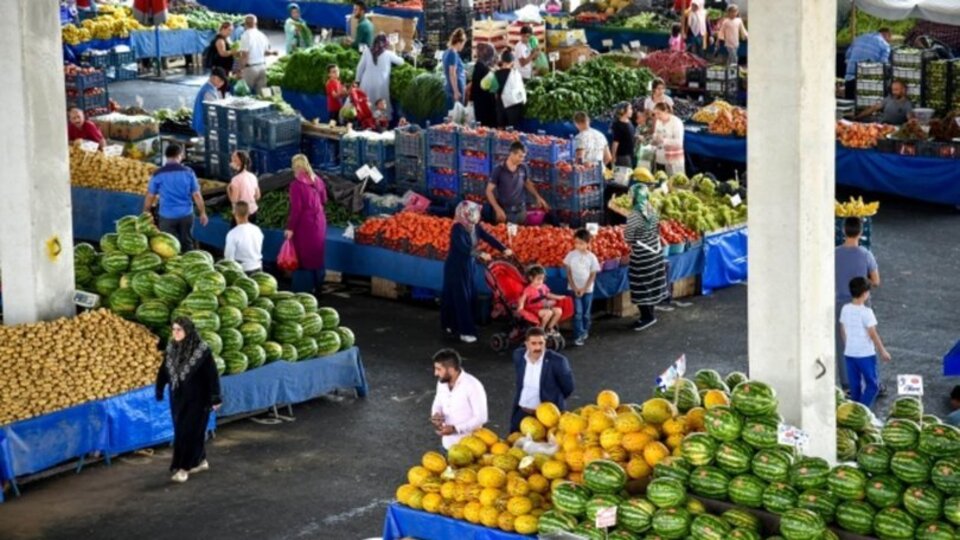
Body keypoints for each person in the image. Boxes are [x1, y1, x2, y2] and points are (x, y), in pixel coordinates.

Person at [155, 317, 221, 484]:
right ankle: (201, 461)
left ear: (188, 331)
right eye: (174, 329)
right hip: (177, 398)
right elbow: (164, 369)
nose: (175, 333)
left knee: (188, 433)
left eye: (179, 329)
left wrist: (215, 397)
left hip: (198, 400)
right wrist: (160, 387)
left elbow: (211, 375)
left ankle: (183, 468)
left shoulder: (202, 350)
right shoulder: (172, 347)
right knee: (184, 431)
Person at [440, 201, 512, 343]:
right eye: (473, 213)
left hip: (469, 265)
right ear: (465, 213)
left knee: (466, 294)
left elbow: (488, 237)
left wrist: (503, 248)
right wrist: (479, 254)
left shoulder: (475, 226)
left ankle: (450, 323)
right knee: (461, 297)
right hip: (456, 266)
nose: (476, 216)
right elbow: (462, 247)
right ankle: (465, 331)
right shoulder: (457, 228)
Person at [835, 217, 880, 391]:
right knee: (867, 341)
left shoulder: (834, 254)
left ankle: (847, 384)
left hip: (840, 304)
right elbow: (876, 281)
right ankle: (871, 381)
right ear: (861, 232)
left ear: (843, 231)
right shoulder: (865, 254)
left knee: (843, 344)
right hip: (862, 304)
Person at [840, 277, 892, 408]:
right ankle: (862, 410)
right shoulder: (867, 312)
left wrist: (849, 345)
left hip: (850, 354)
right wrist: (883, 351)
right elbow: (873, 334)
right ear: (864, 294)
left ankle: (853, 410)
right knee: (873, 385)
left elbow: (842, 329)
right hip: (865, 355)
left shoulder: (845, 309)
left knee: (855, 386)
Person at [509, 327, 575, 432]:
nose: (538, 347)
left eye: (541, 343)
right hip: (522, 413)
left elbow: (568, 388)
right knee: (513, 443)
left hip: (547, 418)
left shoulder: (558, 361)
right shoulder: (519, 355)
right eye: (533, 343)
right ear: (526, 344)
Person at [143, 143, 208, 250]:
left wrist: (146, 213)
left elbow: (150, 196)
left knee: (168, 247)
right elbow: (196, 194)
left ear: (166, 156)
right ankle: (188, 264)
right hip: (186, 215)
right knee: (187, 244)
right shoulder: (188, 172)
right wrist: (202, 212)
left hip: (167, 216)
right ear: (179, 155)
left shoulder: (158, 174)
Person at [625, 182, 667, 331]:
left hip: (642, 257)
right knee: (651, 284)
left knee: (641, 285)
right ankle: (650, 314)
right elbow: (657, 230)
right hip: (655, 254)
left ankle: (647, 317)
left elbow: (629, 238)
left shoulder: (634, 216)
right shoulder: (651, 209)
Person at [285, 155, 328, 296]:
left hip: (305, 225)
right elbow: (324, 200)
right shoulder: (317, 180)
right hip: (319, 222)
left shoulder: (296, 185)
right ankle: (318, 285)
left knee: (303, 255)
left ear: (295, 167)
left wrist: (290, 228)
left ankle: (303, 289)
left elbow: (296, 210)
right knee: (316, 253)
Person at [429, 349, 488, 449]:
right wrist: (436, 414)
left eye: (439, 369)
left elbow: (481, 417)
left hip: (470, 448)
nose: (435, 373)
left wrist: (455, 429)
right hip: (447, 444)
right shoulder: (441, 382)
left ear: (451, 369)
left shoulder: (473, 385)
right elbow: (438, 402)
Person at [487, 142, 550, 225]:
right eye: (520, 156)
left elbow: (527, 183)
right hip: (506, 212)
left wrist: (537, 196)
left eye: (523, 157)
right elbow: (489, 191)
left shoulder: (523, 167)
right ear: (512, 154)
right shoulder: (499, 169)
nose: (522, 159)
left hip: (521, 211)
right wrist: (497, 209)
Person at [565, 229, 600, 346]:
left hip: (588, 290)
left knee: (586, 313)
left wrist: (584, 288)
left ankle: (585, 330)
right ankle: (578, 335)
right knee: (578, 313)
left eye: (581, 243)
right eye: (576, 243)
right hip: (573, 289)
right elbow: (568, 273)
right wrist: (574, 288)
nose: (578, 246)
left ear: (588, 243)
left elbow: (592, 275)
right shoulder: (570, 255)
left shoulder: (592, 257)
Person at [356, 33, 405, 118]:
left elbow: (360, 67)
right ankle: (379, 123)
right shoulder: (388, 53)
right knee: (380, 103)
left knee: (366, 101)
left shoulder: (367, 51)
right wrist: (395, 50)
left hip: (367, 81)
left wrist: (357, 80)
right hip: (381, 83)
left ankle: (366, 120)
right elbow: (401, 62)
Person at [844, 29, 892, 99]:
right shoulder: (885, 45)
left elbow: (847, 55)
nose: (889, 41)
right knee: (864, 106)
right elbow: (883, 65)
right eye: (889, 39)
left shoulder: (859, 38)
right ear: (887, 35)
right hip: (867, 82)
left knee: (849, 104)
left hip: (850, 77)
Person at [518, 265, 565, 335]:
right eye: (538, 279)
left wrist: (558, 297)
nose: (540, 281)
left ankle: (549, 328)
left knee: (559, 311)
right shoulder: (528, 289)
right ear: (531, 278)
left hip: (544, 306)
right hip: (534, 308)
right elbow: (522, 299)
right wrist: (520, 308)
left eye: (542, 279)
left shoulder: (543, 286)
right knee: (548, 313)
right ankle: (541, 329)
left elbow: (548, 294)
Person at [237, 15, 274, 95]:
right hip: (262, 67)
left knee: (244, 94)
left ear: (245, 24)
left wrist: (240, 69)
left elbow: (245, 55)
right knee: (262, 95)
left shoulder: (246, 35)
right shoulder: (262, 35)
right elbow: (266, 52)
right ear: (256, 23)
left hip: (250, 68)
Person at [224, 201, 263, 274]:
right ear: (248, 213)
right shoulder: (257, 230)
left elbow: (228, 258)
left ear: (234, 213)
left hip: (242, 270)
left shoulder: (232, 234)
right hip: (258, 267)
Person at [191, 67, 228, 135]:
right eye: (220, 80)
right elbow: (214, 112)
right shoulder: (208, 92)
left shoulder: (209, 87)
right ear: (213, 77)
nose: (222, 83)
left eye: (222, 81)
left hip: (202, 124)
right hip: (203, 127)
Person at [494, 50, 525, 129]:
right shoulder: (515, 74)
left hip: (500, 106)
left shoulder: (496, 74)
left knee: (500, 128)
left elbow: (494, 92)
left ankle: (499, 141)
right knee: (511, 131)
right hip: (513, 107)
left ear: (502, 61)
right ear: (512, 62)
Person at [652, 102, 685, 175]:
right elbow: (656, 134)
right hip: (660, 158)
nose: (657, 116)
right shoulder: (658, 121)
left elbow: (679, 142)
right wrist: (654, 138)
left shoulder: (676, 122)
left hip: (673, 159)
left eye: (659, 113)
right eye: (655, 114)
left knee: (673, 181)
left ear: (666, 111)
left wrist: (664, 140)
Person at [470, 43, 499, 128]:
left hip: (479, 104)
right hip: (487, 106)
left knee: (481, 127)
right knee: (487, 128)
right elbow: (494, 89)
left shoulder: (478, 66)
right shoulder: (485, 70)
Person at [227, 150, 260, 219]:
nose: (231, 162)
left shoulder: (235, 180)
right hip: (253, 211)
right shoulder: (253, 176)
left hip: (241, 214)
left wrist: (228, 190)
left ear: (239, 162)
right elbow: (257, 196)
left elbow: (234, 200)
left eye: (234, 159)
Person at [443, 29, 468, 112]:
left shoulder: (447, 52)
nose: (463, 46)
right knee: (457, 114)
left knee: (453, 113)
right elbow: (452, 73)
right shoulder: (453, 53)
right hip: (456, 87)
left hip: (450, 87)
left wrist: (462, 72)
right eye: (463, 44)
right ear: (459, 42)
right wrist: (456, 91)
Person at [610, 101, 636, 168]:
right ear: (623, 111)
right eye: (630, 109)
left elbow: (629, 135)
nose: (632, 111)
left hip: (630, 154)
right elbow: (615, 142)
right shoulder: (618, 125)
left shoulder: (629, 122)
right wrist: (613, 157)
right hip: (623, 156)